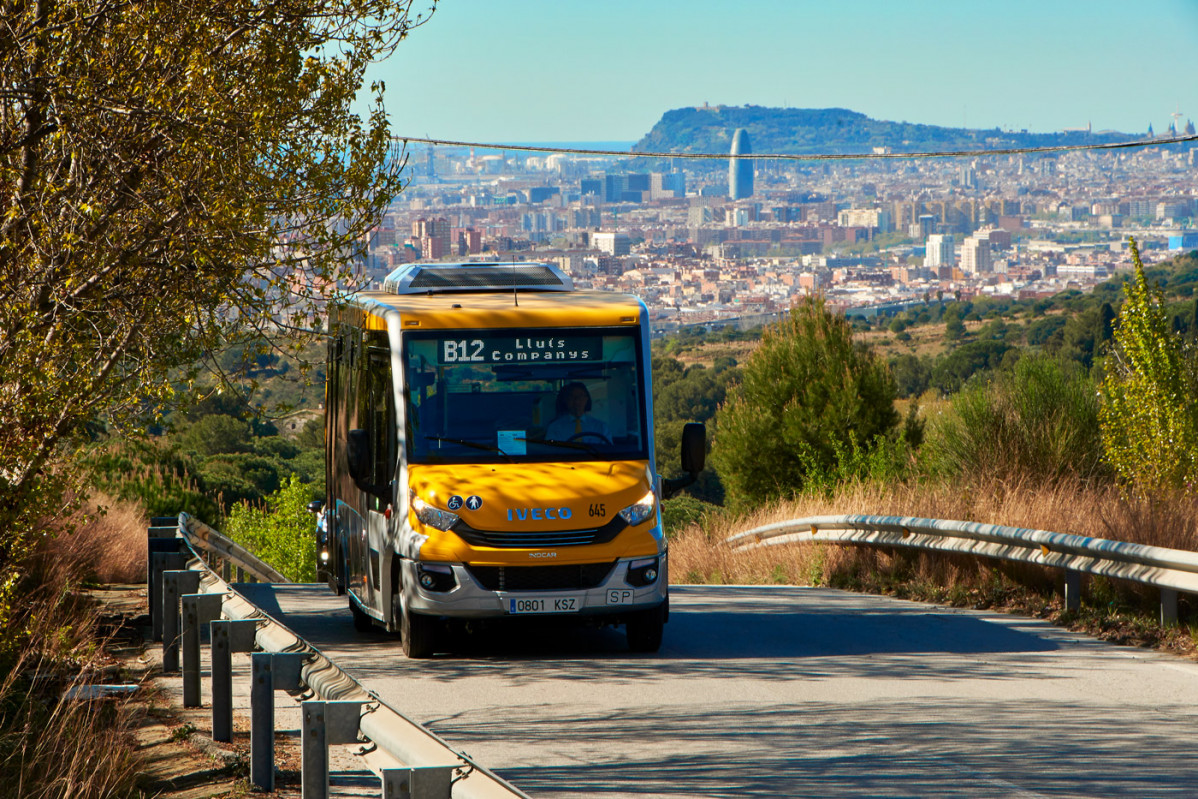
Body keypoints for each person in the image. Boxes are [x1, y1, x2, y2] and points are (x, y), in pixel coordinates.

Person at [546, 382, 610, 441]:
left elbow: (608, 451)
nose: (577, 401)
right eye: (572, 397)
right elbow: (551, 451)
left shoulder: (600, 427)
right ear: (566, 400)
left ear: (586, 399)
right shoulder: (555, 427)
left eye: (581, 396)